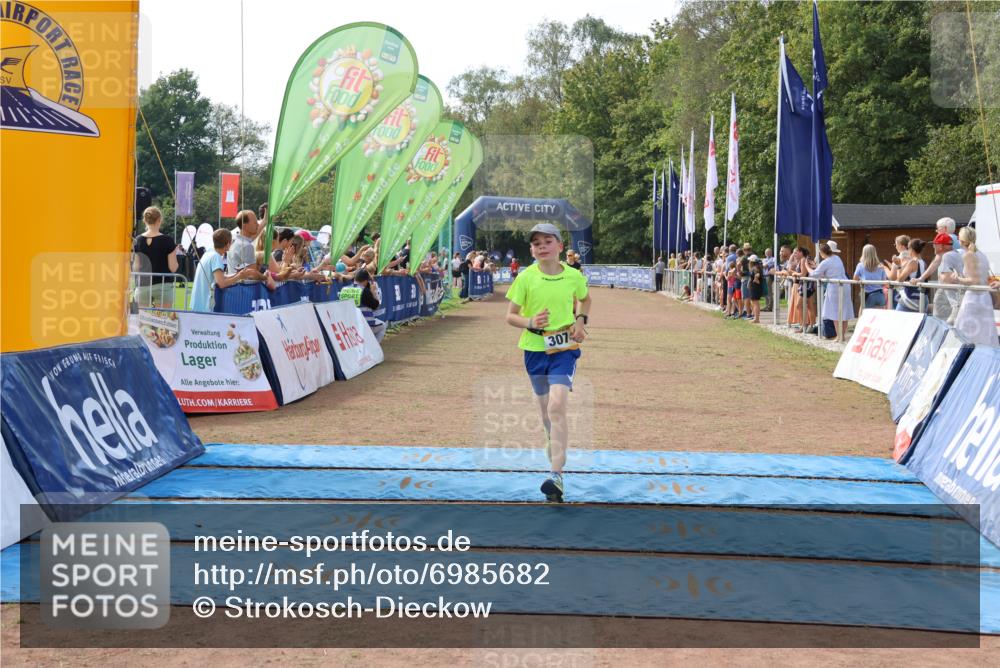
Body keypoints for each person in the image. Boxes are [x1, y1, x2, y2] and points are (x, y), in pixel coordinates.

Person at [505, 223, 591, 503]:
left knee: (557, 406)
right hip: (534, 349)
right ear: (532, 250)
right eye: (536, 243)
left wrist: (580, 320)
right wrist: (530, 322)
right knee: (547, 414)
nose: (541, 246)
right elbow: (511, 316)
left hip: (564, 349)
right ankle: (553, 444)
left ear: (560, 246)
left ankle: (556, 476)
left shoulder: (573, 276)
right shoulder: (526, 277)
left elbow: (585, 300)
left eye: (547, 241)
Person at [942, 227, 997, 346]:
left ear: (961, 240)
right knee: (985, 333)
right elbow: (982, 278)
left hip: (973, 298)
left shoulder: (969, 255)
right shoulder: (981, 254)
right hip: (984, 298)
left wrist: (957, 278)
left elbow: (974, 280)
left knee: (964, 333)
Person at [191, 229, 251, 312]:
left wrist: (237, 274)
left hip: (198, 304)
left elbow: (221, 277)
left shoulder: (208, 253)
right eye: (232, 241)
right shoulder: (216, 257)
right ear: (227, 244)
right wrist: (239, 276)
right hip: (205, 306)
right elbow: (222, 283)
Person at [132, 206, 179, 308]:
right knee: (163, 322)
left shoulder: (137, 240)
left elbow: (136, 267)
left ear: (145, 220)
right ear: (159, 220)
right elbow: (173, 267)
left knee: (142, 322)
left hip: (142, 286)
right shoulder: (168, 240)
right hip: (162, 286)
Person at [810, 242, 855, 341]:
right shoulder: (837, 258)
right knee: (844, 311)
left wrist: (807, 267)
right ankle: (842, 335)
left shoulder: (826, 262)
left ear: (822, 252)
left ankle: (839, 335)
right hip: (845, 285)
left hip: (835, 287)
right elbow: (829, 272)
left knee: (835, 311)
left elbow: (814, 274)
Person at [884, 238, 927, 312]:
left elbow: (900, 279)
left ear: (911, 250)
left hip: (910, 299)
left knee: (896, 321)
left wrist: (898, 266)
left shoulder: (912, 262)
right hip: (922, 298)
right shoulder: (924, 262)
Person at [352, 268, 386, 342]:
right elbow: (375, 306)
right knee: (383, 325)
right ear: (365, 281)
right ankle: (374, 347)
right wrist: (374, 292)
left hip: (350, 324)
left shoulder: (345, 288)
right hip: (365, 323)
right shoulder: (365, 291)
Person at [853, 244, 889, 309]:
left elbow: (855, 278)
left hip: (867, 295)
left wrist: (861, 279)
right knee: (878, 317)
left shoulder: (860, 265)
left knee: (863, 314)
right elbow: (884, 282)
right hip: (880, 295)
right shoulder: (881, 265)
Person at [747, 256, 764, 323]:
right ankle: (756, 317)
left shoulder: (755, 268)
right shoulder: (757, 267)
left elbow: (757, 274)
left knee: (755, 302)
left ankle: (756, 319)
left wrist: (756, 279)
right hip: (754, 287)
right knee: (754, 302)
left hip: (755, 287)